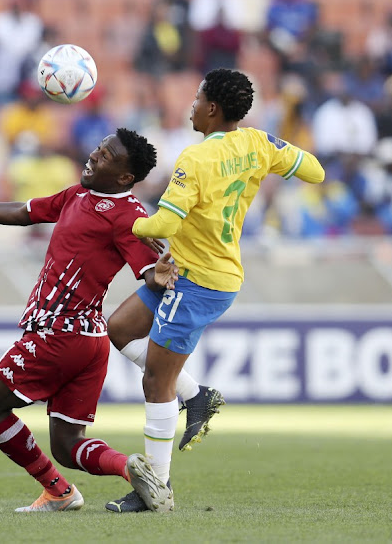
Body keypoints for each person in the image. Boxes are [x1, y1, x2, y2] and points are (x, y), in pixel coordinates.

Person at [105, 68, 325, 513]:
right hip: (188, 271)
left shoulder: (195, 159)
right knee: (120, 329)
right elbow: (316, 172)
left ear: (212, 108)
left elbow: (164, 223)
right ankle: (197, 396)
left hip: (201, 282)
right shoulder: (259, 143)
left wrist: (123, 223)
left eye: (197, 97)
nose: (191, 104)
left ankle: (156, 488)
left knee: (155, 382)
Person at [0, 128, 177, 513]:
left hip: (59, 334)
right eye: (98, 148)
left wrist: (157, 278)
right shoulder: (76, 195)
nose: (94, 156)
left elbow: (151, 274)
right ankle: (129, 468)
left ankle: (58, 491)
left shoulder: (130, 216)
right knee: (66, 443)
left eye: (107, 156)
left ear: (126, 177)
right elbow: (24, 213)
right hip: (88, 342)